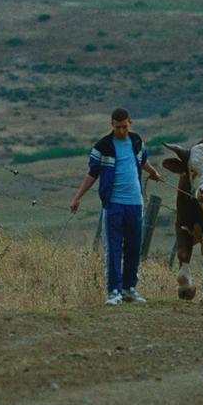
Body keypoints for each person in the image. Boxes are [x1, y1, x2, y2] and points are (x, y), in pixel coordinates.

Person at [70, 108, 161, 306]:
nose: (121, 130)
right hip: (113, 203)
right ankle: (114, 291)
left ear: (130, 123)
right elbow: (92, 173)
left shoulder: (136, 141)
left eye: (124, 127)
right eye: (118, 127)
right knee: (113, 248)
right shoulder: (103, 146)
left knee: (133, 247)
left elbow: (143, 161)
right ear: (112, 124)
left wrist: (153, 172)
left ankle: (129, 289)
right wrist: (77, 198)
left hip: (135, 203)